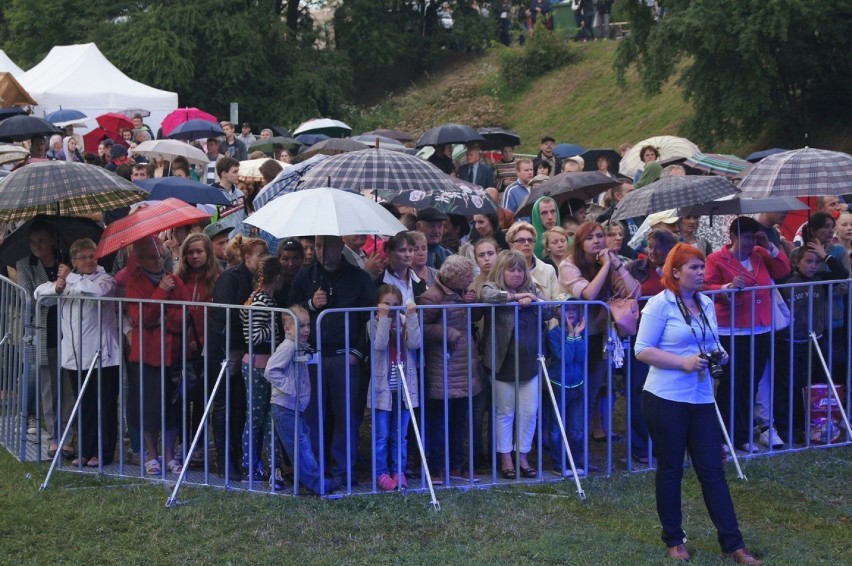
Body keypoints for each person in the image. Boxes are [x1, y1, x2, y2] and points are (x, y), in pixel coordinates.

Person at [635, 243, 763, 565]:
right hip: (665, 398)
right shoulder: (659, 305)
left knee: (712, 471)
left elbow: (712, 341)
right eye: (693, 267)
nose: (700, 272)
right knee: (671, 469)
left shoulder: (705, 302)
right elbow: (642, 350)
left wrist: (721, 354)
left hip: (701, 398)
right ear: (675, 272)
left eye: (701, 266)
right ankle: (674, 540)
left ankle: (733, 545)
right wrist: (683, 363)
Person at [288, 235, 375, 484]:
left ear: (340, 247)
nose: (321, 251)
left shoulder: (359, 277)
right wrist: (310, 304)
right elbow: (291, 309)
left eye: (326, 246)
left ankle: (344, 470)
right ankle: (316, 470)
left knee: (346, 416)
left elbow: (368, 318)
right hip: (313, 355)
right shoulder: (306, 276)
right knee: (313, 416)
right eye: (317, 246)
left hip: (344, 356)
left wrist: (357, 353)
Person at [704, 217, 791, 452]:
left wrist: (770, 245)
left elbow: (783, 270)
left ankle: (742, 435)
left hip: (760, 327)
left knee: (750, 383)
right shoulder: (716, 259)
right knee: (731, 383)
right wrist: (727, 288)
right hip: (731, 329)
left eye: (754, 237)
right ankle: (723, 437)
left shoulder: (760, 254)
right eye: (746, 237)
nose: (750, 242)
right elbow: (705, 288)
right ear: (732, 236)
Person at [33, 238, 121, 468]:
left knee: (104, 405)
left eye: (92, 256)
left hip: (103, 357)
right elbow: (39, 294)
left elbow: (98, 293)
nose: (89, 260)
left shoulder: (105, 279)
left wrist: (70, 276)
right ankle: (85, 449)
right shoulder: (69, 283)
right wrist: (57, 286)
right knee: (84, 405)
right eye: (83, 257)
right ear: (73, 260)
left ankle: (103, 452)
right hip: (74, 358)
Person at [559, 221, 640, 441]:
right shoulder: (568, 265)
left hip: (599, 335)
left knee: (592, 391)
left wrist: (617, 264)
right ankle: (568, 443)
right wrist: (605, 266)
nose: (596, 241)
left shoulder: (610, 261)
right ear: (579, 242)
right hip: (572, 336)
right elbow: (588, 294)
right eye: (589, 237)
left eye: (599, 236)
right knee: (572, 392)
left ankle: (582, 444)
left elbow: (634, 292)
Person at [207, 237, 268, 479]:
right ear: (247, 258)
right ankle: (225, 459)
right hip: (226, 349)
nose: (263, 259)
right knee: (224, 404)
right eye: (259, 255)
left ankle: (246, 457)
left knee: (244, 406)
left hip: (250, 351)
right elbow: (225, 313)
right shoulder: (230, 278)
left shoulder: (263, 282)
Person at [774, 243, 848, 445]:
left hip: (812, 343)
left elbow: (842, 274)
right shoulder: (787, 281)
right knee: (785, 386)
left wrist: (826, 257)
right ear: (796, 263)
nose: (813, 266)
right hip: (788, 342)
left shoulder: (821, 280)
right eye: (808, 261)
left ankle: (805, 426)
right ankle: (784, 427)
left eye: (816, 262)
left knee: (806, 386)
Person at [479, 250, 543, 479]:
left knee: (529, 412)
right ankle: (505, 457)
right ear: (501, 271)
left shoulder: (533, 289)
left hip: (529, 363)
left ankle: (522, 455)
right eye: (511, 269)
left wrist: (534, 300)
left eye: (520, 269)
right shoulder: (490, 288)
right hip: (501, 362)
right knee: (505, 412)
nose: (516, 274)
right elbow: (486, 297)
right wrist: (516, 298)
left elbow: (547, 311)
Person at [419, 255, 482, 482]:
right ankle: (436, 468)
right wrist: (445, 332)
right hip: (442, 368)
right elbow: (421, 326)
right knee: (439, 422)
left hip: (463, 367)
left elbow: (473, 318)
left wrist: (472, 304)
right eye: (466, 276)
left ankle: (456, 465)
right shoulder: (432, 297)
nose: (470, 280)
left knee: (460, 421)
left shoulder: (462, 293)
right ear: (454, 277)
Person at [125, 237, 185, 476]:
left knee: (171, 406)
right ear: (139, 260)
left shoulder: (176, 281)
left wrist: (162, 317)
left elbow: (182, 316)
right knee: (149, 407)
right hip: (147, 355)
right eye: (151, 256)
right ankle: (152, 454)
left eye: (160, 255)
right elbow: (142, 318)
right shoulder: (134, 284)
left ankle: (169, 454)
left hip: (172, 353)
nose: (158, 260)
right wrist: (161, 292)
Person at [265, 305, 339, 495]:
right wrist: (291, 388)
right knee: (301, 448)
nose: (306, 330)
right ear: (287, 329)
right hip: (285, 406)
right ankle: (317, 484)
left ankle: (313, 481)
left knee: (303, 444)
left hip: (294, 406)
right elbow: (271, 370)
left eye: (307, 325)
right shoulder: (288, 346)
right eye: (300, 326)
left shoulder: (298, 345)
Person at [16, 220, 72, 458]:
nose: (36, 246)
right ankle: (54, 437)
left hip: (68, 331)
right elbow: (30, 297)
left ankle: (69, 436)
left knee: (68, 387)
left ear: (53, 241)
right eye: (32, 242)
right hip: (42, 331)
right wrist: (54, 287)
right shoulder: (24, 265)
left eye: (41, 241)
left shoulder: (67, 262)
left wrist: (66, 278)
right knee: (48, 388)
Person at [625, 228, 678, 463]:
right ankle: (639, 445)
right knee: (640, 390)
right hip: (642, 337)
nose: (652, 251)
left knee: (667, 392)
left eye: (657, 246)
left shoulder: (677, 270)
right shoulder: (636, 268)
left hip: (670, 339)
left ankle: (666, 441)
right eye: (649, 245)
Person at [173, 233, 221, 464]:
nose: (194, 256)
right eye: (190, 252)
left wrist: (201, 340)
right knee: (182, 399)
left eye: (199, 251)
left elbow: (216, 317)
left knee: (202, 401)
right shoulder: (178, 279)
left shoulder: (217, 279)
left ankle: (199, 443)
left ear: (208, 254)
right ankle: (183, 443)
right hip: (182, 350)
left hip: (206, 351)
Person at [368, 285, 421, 491]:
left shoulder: (405, 323)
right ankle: (380, 473)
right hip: (383, 390)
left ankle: (399, 470)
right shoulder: (372, 323)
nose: (391, 309)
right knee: (382, 436)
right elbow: (380, 344)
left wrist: (412, 318)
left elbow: (415, 343)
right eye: (386, 305)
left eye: (395, 305)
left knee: (400, 435)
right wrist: (384, 319)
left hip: (404, 389)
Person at [240, 256, 285, 486]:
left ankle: (273, 465)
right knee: (255, 417)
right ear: (277, 277)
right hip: (257, 364)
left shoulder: (268, 300)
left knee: (270, 419)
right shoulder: (259, 302)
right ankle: (249, 465)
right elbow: (253, 337)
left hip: (269, 365)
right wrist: (275, 324)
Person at [546, 297, 586, 476]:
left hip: (577, 386)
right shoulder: (553, 334)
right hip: (559, 385)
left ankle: (573, 462)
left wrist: (577, 335)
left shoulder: (583, 331)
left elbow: (580, 357)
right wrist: (571, 335)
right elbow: (566, 359)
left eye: (574, 310)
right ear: (558, 313)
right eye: (566, 309)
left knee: (576, 430)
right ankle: (558, 464)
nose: (570, 313)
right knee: (557, 428)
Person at [508, 221, 559, 302]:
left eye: (530, 240)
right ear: (511, 246)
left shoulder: (549, 270)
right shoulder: (502, 270)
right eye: (521, 240)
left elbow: (557, 303)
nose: (527, 243)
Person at [211, 157, 247, 238]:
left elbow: (245, 218)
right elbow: (212, 224)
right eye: (235, 172)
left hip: (243, 243)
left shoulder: (240, 194)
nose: (238, 175)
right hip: (225, 245)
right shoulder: (213, 196)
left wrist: (247, 237)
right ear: (224, 174)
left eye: (238, 171)